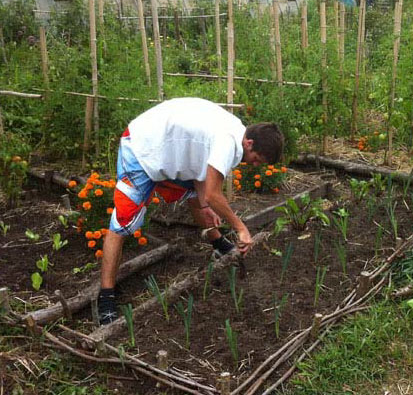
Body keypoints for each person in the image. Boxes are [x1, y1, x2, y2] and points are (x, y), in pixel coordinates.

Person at [98, 97, 284, 324]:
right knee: (122, 223)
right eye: (257, 160)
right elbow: (214, 194)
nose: (254, 165)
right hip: (141, 150)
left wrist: (205, 205)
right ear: (250, 143)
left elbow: (202, 176)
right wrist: (241, 228)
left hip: (166, 148)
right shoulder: (228, 142)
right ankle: (105, 297)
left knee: (199, 198)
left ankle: (219, 244)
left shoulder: (237, 131)